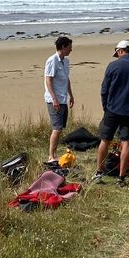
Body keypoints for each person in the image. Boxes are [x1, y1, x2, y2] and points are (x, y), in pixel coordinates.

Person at [93, 40, 129, 186]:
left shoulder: (113, 66)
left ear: (120, 51)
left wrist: (105, 106)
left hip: (112, 109)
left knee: (105, 140)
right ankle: (121, 178)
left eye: (117, 53)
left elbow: (104, 89)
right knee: (126, 142)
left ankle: (99, 173)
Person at [43, 36, 75, 167]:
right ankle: (51, 155)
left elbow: (66, 79)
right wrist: (54, 99)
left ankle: (55, 153)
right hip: (54, 100)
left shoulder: (65, 61)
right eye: (69, 47)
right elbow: (48, 80)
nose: (71, 49)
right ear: (63, 47)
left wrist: (71, 95)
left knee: (60, 128)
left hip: (63, 98)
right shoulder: (52, 60)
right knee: (56, 129)